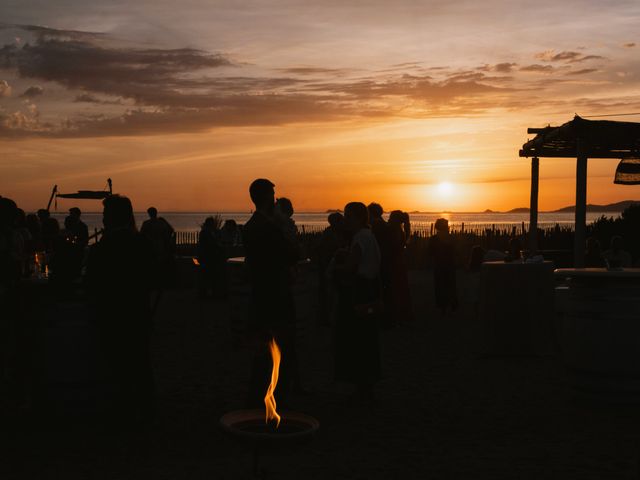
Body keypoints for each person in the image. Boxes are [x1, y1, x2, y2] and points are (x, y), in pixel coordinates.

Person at [86, 195, 155, 428]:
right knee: (140, 361)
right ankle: (145, 408)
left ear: (112, 218)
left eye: (105, 215)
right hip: (139, 314)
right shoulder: (143, 243)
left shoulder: (102, 249)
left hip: (114, 316)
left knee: (116, 361)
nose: (103, 219)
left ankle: (121, 409)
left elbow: (92, 285)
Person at [242, 179, 300, 406]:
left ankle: (258, 396)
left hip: (259, 295)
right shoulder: (272, 227)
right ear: (268, 198)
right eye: (273, 195)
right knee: (282, 347)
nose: (276, 199)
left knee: (260, 349)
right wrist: (286, 229)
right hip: (277, 294)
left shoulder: (248, 227)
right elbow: (293, 253)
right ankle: (277, 398)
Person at [332, 202, 381, 405]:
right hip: (370, 289)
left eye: (349, 217)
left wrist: (337, 265)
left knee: (358, 338)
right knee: (367, 338)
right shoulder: (369, 236)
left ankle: (362, 388)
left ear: (359, 218)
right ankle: (365, 387)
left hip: (360, 290)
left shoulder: (360, 237)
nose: (346, 220)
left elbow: (352, 266)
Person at [315, 212, 347, 325]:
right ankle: (328, 318)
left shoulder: (337, 232)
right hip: (329, 266)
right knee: (329, 294)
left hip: (333, 266)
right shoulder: (330, 233)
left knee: (331, 294)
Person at [367, 203, 392, 327]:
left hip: (380, 260)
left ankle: (382, 318)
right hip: (385, 260)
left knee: (379, 290)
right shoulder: (383, 224)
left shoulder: (376, 225)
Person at [428, 218, 458, 315]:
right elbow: (456, 251)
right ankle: (452, 305)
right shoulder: (452, 238)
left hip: (439, 264)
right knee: (450, 285)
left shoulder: (433, 239)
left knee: (440, 286)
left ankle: (443, 307)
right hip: (449, 264)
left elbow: (430, 253)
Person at [387, 210, 413, 324]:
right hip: (400, 262)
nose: (388, 219)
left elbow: (393, 247)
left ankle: (398, 315)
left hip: (395, 262)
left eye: (390, 217)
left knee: (396, 288)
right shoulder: (400, 230)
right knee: (401, 288)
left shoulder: (394, 231)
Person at [140, 207, 176, 288]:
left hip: (150, 248)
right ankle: (160, 283)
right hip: (160, 247)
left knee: (152, 267)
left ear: (149, 214)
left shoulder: (146, 223)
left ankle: (153, 284)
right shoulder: (162, 223)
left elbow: (141, 236)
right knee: (160, 267)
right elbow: (167, 235)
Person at [197, 216, 225, 298]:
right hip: (207, 258)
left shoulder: (207, 232)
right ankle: (207, 293)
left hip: (208, 257)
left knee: (208, 276)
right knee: (208, 276)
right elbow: (210, 244)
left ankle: (208, 292)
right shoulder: (206, 232)